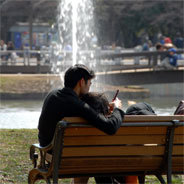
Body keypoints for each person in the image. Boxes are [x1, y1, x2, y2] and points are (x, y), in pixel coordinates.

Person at [38, 64, 124, 147]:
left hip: (49, 147)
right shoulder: (78, 105)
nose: (90, 87)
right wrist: (117, 108)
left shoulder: (53, 95)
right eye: (90, 83)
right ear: (82, 82)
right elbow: (110, 127)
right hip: (61, 152)